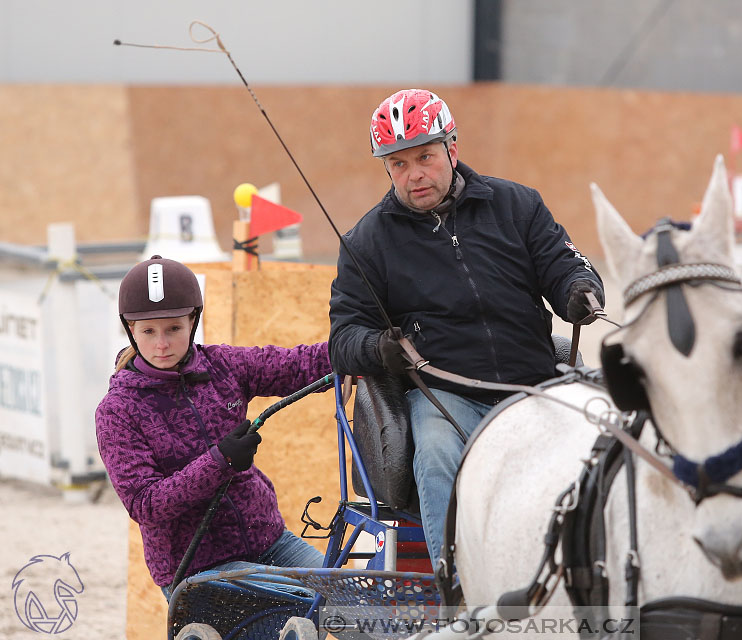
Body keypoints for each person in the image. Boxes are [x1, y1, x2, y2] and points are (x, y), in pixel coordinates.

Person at [328, 89, 604, 567]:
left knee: (609, 441)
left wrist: (579, 289)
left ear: (452, 148)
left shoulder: (518, 205)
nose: (413, 174)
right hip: (444, 397)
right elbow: (344, 337)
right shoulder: (366, 242)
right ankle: (456, 591)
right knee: (434, 455)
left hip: (534, 387)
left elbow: (564, 265)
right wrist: (378, 348)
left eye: (425, 157)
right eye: (397, 164)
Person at [96, 256, 333, 600]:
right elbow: (145, 505)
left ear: (193, 321)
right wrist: (219, 461)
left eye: (174, 329)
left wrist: (356, 349)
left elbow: (295, 365)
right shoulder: (117, 410)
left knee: (352, 600)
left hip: (270, 541)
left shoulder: (222, 364)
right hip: (196, 570)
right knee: (306, 602)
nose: (161, 344)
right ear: (130, 329)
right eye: (148, 331)